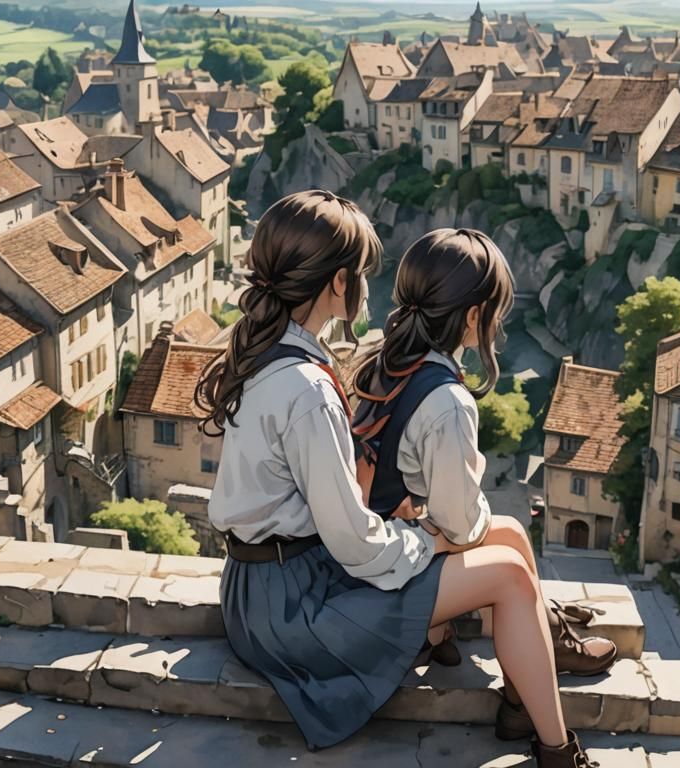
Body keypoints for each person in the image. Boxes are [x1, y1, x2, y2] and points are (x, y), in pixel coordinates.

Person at [198, 192, 595, 766]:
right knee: (507, 572)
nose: (365, 285)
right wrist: (429, 536)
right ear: (339, 284)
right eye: (360, 274)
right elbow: (355, 544)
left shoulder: (274, 353)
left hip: (261, 589)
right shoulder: (308, 390)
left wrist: (419, 528)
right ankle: (558, 750)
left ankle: (526, 687)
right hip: (295, 612)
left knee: (506, 533)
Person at [349, 229, 617, 721]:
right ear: (473, 317)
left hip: (371, 553)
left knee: (512, 531)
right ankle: (533, 676)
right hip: (383, 576)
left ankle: (540, 647)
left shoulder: (377, 362)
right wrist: (453, 509)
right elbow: (461, 525)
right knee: (501, 549)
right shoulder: (448, 401)